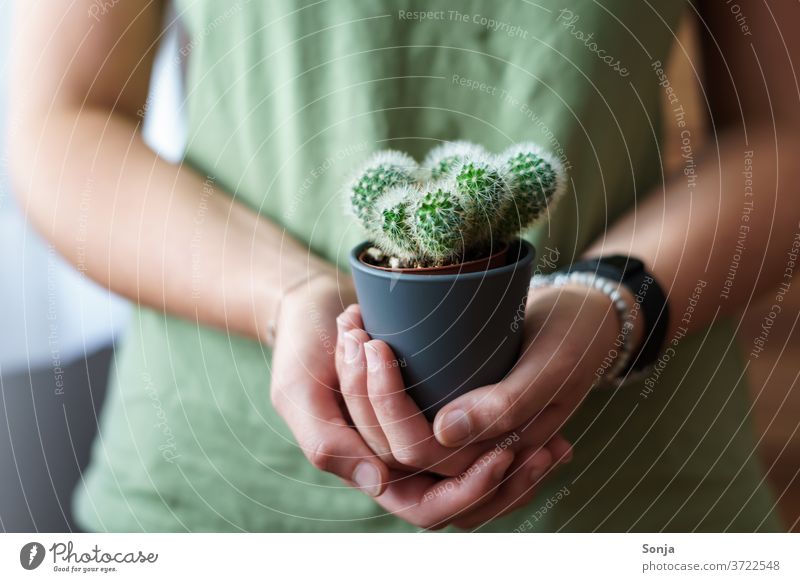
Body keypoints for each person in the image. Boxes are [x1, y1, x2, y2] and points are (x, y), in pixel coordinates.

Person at [9, 0, 799, 532]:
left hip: (636, 496)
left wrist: (614, 300)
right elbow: (61, 117)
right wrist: (284, 298)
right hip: (220, 495)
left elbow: (783, 132)